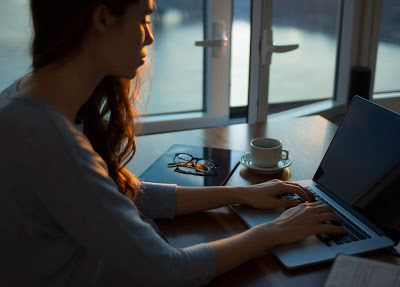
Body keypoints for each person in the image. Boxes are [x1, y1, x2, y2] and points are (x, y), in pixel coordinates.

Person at [0, 0, 347, 286]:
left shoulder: (25, 97)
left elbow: (114, 193)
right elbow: (169, 270)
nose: (150, 37)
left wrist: (238, 194)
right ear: (103, 17)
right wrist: (275, 231)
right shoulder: (53, 144)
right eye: (144, 17)